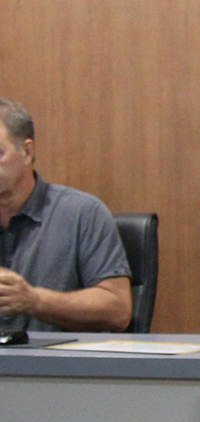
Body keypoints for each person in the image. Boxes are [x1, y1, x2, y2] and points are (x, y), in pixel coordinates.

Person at [0, 99, 131, 332]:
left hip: (56, 355)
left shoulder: (82, 213)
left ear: (27, 152)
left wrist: (34, 300)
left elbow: (118, 310)